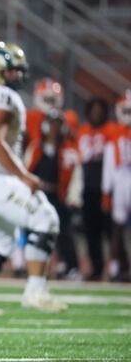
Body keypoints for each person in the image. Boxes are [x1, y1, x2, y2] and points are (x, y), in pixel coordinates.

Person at [0, 42, 67, 316]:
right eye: (12, 71)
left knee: (3, 241)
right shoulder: (0, 96)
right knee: (47, 219)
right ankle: (35, 291)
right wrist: (23, 174)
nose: (17, 76)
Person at [25, 109, 83, 280]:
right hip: (39, 195)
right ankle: (37, 268)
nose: (54, 129)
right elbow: (26, 169)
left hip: (59, 196)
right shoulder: (36, 147)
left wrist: (74, 197)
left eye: (58, 125)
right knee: (35, 232)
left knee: (64, 232)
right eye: (52, 125)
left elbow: (76, 175)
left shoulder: (69, 150)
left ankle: (71, 266)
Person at [77, 98, 118, 280]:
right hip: (88, 187)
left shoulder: (112, 130)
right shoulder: (83, 130)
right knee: (91, 232)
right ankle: (96, 268)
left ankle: (118, 268)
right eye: (94, 110)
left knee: (112, 231)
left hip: (108, 188)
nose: (97, 114)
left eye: (100, 110)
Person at [101, 91, 131, 282]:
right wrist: (106, 191)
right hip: (121, 178)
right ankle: (114, 268)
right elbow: (109, 163)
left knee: (118, 228)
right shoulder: (113, 131)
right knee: (117, 227)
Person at [26, 77, 79, 145]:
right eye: (47, 99)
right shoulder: (31, 116)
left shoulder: (68, 118)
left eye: (52, 100)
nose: (50, 104)